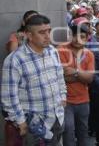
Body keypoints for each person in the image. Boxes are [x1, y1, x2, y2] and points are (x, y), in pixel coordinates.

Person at [1, 14, 66, 145]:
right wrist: (20, 121)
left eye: (49, 31)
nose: (48, 36)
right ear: (29, 35)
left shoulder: (52, 51)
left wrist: (63, 96)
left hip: (57, 117)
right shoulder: (15, 60)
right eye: (42, 32)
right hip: (34, 125)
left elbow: (59, 77)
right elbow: (9, 96)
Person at [57, 25, 95, 146]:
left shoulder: (89, 54)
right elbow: (62, 77)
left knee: (83, 134)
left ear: (87, 38)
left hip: (84, 100)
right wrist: (81, 75)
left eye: (82, 37)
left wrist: (74, 72)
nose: (78, 40)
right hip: (65, 101)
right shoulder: (60, 50)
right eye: (75, 36)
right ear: (70, 36)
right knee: (68, 133)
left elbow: (89, 79)